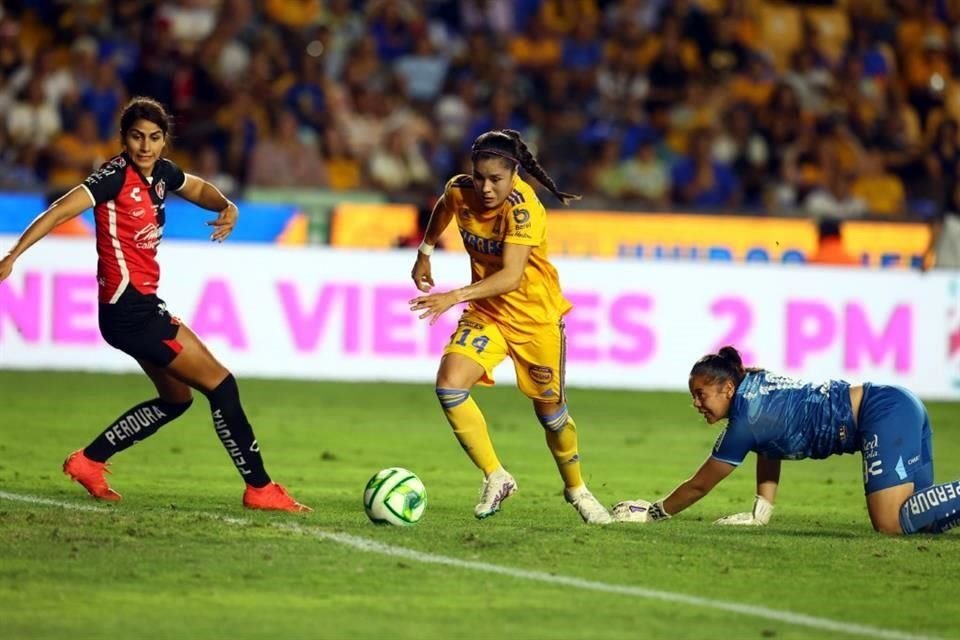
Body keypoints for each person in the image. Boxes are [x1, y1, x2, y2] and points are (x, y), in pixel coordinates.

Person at [0, 97, 309, 513]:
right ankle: (259, 488)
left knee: (176, 400)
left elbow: (197, 187)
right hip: (132, 312)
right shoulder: (112, 177)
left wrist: (227, 206)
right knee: (222, 384)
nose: (145, 147)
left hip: (135, 309)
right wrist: (13, 255)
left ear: (165, 141)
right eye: (136, 137)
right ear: (124, 139)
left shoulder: (162, 174)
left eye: (154, 138)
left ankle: (89, 461)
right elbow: (58, 212)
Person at [408, 129, 611, 524]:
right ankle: (496, 476)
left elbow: (511, 277)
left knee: (551, 417)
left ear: (514, 174)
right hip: (488, 313)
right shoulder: (460, 189)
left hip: (535, 319)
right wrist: (425, 250)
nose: (485, 187)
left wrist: (453, 296)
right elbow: (445, 207)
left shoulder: (523, 209)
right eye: (480, 176)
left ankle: (577, 490)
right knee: (450, 385)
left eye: (495, 179)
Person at [611, 346, 960, 535]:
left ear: (727, 388)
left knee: (890, 524)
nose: (696, 403)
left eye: (701, 395)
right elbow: (770, 444)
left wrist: (653, 513)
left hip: (882, 413)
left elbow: (699, 486)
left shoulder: (744, 423)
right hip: (896, 404)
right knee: (920, 521)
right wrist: (762, 511)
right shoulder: (753, 389)